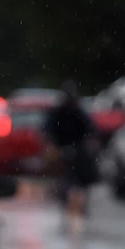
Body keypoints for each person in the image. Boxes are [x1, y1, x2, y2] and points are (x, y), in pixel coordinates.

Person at [43, 81, 98, 219]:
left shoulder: (78, 112)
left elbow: (90, 129)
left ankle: (79, 201)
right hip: (62, 149)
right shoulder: (57, 113)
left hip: (77, 150)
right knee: (62, 176)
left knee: (84, 176)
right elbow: (47, 130)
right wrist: (52, 146)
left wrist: (90, 144)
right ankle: (65, 197)